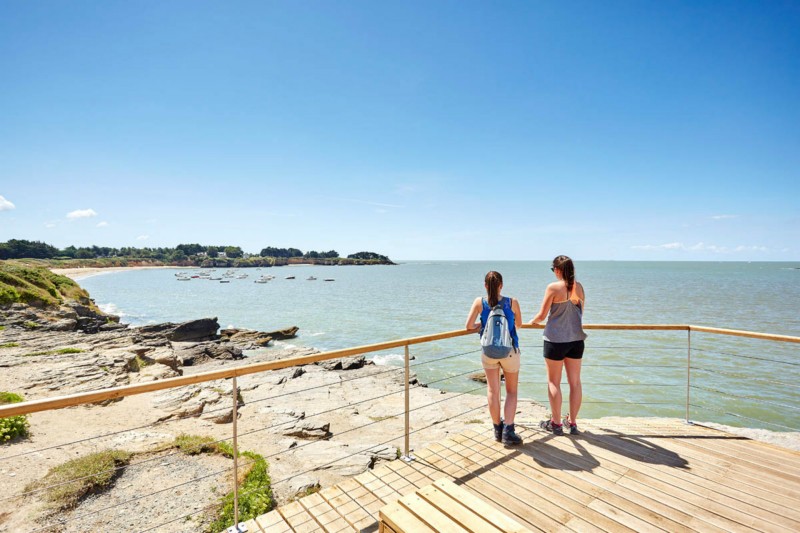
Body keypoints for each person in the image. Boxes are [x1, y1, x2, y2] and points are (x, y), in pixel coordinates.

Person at [529, 255, 586, 436]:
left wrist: (532, 322)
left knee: (554, 382)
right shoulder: (580, 287)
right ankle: (572, 423)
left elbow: (542, 315)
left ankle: (555, 424)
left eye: (553, 269)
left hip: (555, 340)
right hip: (576, 340)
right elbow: (580, 313)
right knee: (575, 383)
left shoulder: (553, 287)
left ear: (558, 270)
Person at [465, 271, 523, 445]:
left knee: (492, 390)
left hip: (488, 352)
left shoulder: (479, 302)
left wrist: (482, 324)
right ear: (501, 285)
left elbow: (468, 326)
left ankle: (497, 428)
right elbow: (518, 325)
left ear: (485, 285)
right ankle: (509, 431)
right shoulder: (512, 302)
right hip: (510, 351)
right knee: (511, 391)